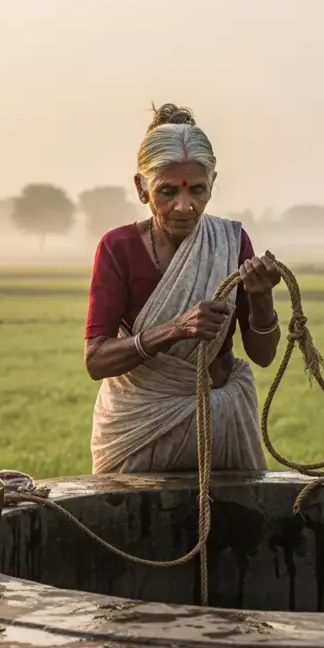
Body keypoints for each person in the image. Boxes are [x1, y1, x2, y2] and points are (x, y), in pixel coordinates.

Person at [84, 103, 282, 475]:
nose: (184, 206)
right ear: (142, 188)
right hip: (136, 428)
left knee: (230, 532)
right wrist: (177, 328)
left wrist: (261, 297)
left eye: (197, 190)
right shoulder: (118, 248)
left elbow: (264, 355)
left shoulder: (231, 241)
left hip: (221, 425)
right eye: (168, 191)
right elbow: (96, 360)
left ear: (212, 183)